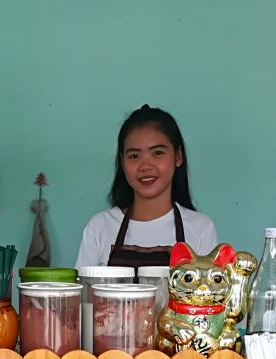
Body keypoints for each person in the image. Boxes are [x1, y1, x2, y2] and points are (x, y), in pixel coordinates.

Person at [76, 105, 218, 269]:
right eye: (134, 156)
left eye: (157, 153)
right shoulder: (99, 227)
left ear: (178, 156)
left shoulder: (201, 229)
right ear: (122, 162)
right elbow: (83, 286)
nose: (145, 166)